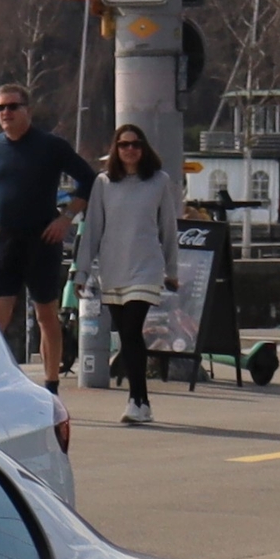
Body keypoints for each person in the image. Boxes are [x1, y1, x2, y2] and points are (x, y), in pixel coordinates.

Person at [0, 82, 95, 393]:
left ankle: (51, 385)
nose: (6, 113)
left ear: (27, 110)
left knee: (45, 314)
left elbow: (89, 180)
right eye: (0, 108)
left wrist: (66, 218)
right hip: (5, 240)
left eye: (13, 106)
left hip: (43, 239)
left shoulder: (51, 146)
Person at [75, 124, 182, 428]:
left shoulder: (159, 181)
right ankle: (142, 401)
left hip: (146, 268)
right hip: (112, 270)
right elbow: (93, 229)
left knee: (133, 329)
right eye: (123, 145)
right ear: (115, 149)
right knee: (126, 336)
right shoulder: (103, 183)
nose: (130, 150)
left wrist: (172, 271)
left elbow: (168, 230)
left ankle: (136, 400)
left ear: (144, 148)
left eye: (135, 144)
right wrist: (81, 272)